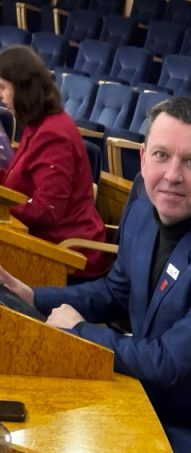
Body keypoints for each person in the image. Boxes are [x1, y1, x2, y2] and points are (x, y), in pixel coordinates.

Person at [0, 96, 191, 453]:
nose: (172, 175)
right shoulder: (144, 205)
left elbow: (170, 362)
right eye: (161, 155)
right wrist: (34, 297)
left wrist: (78, 330)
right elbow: (117, 291)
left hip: (187, 429)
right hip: (133, 389)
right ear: (143, 158)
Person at [0, 45, 108, 278]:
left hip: (68, 255)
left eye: (3, 88)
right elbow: (21, 182)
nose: (1, 96)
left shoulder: (53, 134)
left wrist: (3, 206)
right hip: (45, 244)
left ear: (23, 89)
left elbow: (46, 210)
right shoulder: (39, 124)